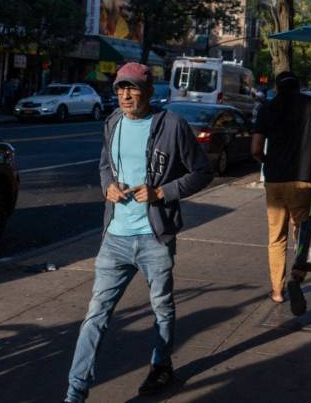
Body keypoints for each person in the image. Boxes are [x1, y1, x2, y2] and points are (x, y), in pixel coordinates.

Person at [65, 62, 213, 403]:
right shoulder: (112, 122)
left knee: (162, 308)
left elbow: (202, 172)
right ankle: (75, 392)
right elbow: (105, 165)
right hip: (115, 237)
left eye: (132, 88)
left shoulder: (171, 125)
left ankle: (161, 366)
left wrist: (162, 192)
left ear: (148, 91)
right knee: (95, 315)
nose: (126, 95)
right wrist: (108, 186)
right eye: (121, 88)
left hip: (154, 237)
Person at [251, 71, 311, 316]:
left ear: (277, 88)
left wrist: (267, 161)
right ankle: (297, 275)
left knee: (276, 237)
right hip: (303, 180)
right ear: (298, 87)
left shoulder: (266, 108)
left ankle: (277, 290)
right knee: (303, 232)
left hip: (275, 182)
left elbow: (255, 148)